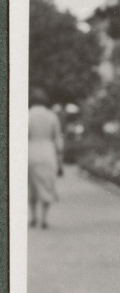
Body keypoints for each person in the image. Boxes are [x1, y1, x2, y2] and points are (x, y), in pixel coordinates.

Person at [28, 87, 63, 229]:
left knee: (33, 187)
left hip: (31, 151)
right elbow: (58, 139)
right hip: (48, 152)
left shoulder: (27, 115)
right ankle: (44, 218)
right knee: (47, 185)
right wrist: (60, 160)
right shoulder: (52, 116)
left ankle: (33, 216)